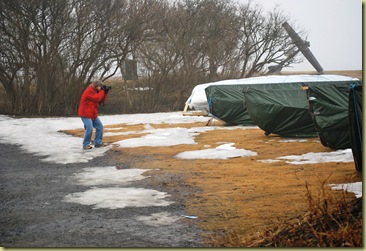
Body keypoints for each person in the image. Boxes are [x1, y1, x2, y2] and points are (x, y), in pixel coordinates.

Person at [78, 80, 110, 150]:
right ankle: (85, 145)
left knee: (100, 127)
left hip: (92, 113)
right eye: (100, 87)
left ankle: (98, 143)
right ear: (96, 86)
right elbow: (97, 98)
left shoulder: (95, 91)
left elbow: (101, 101)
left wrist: (105, 93)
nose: (101, 88)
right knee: (89, 128)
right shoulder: (89, 90)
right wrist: (102, 91)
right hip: (85, 113)